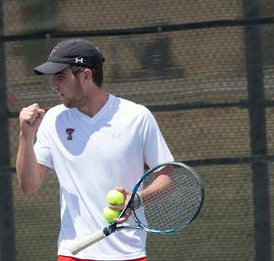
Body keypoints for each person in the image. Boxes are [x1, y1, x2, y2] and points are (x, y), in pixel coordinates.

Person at [16, 39, 174, 261]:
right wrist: (26, 136)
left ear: (86, 75)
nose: (54, 84)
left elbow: (167, 177)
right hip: (73, 253)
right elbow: (29, 185)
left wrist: (136, 200)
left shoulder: (137, 117)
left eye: (60, 76)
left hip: (129, 254)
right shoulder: (53, 119)